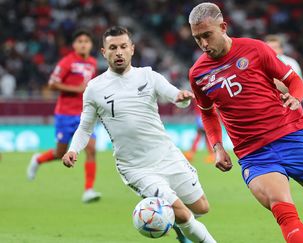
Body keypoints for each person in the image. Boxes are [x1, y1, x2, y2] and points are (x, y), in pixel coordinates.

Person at [188, 3, 303, 243]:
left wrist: (294, 97)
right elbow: (207, 113)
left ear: (223, 27)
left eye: (207, 35)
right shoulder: (198, 73)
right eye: (197, 39)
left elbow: (294, 81)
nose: (204, 44)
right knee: (285, 214)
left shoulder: (255, 50)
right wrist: (217, 147)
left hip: (290, 135)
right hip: (254, 153)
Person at [61, 26, 216, 243]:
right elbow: (85, 127)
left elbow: (175, 97)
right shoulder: (95, 88)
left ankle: (179, 226)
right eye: (112, 48)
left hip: (167, 155)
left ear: (132, 49)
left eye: (123, 46)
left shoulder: (148, 76)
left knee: (201, 207)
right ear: (104, 52)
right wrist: (73, 149)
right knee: (179, 211)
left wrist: (182, 98)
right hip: (136, 167)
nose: (119, 52)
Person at [27, 30, 101, 203]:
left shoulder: (92, 63)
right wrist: (75, 89)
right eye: (80, 41)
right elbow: (52, 84)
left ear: (91, 45)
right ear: (74, 45)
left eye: (86, 41)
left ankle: (88, 190)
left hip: (84, 114)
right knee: (61, 153)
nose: (83, 44)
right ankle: (38, 159)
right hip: (65, 114)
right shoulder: (67, 62)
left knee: (91, 149)